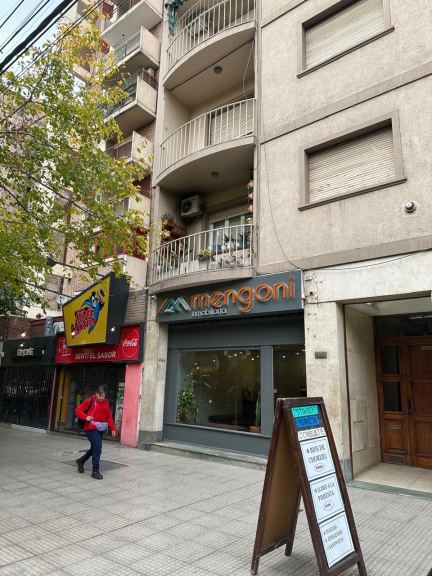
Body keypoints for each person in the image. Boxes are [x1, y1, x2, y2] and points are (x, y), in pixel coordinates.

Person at [74, 386, 116, 480]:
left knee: (94, 448)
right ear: (96, 394)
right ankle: (95, 471)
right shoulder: (90, 401)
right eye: (99, 395)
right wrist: (86, 417)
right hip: (90, 427)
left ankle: (81, 461)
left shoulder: (106, 403)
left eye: (103, 396)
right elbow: (77, 410)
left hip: (100, 428)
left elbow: (109, 416)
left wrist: (112, 428)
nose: (101, 398)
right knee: (97, 448)